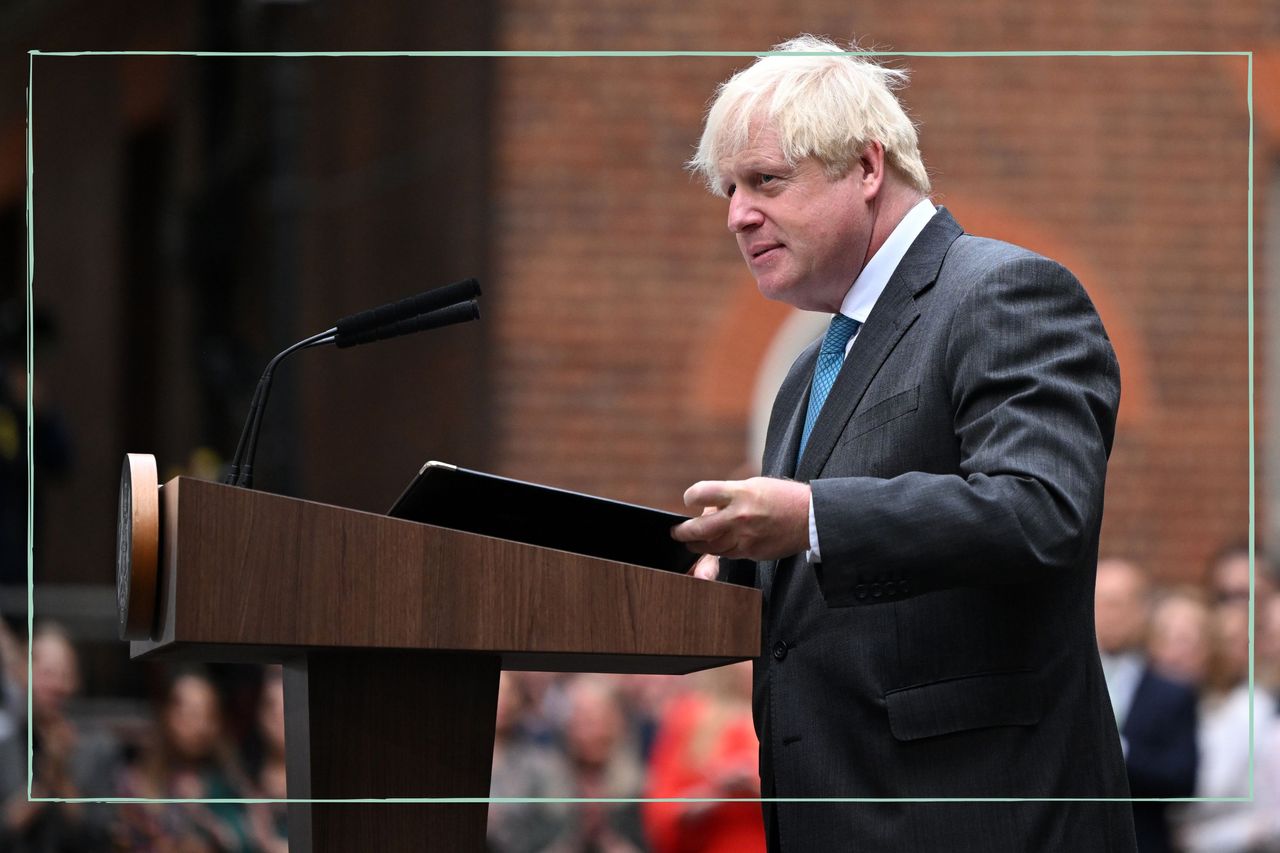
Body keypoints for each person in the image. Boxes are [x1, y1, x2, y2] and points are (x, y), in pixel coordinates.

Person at [671, 35, 1135, 850]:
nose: (737, 213)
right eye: (730, 188)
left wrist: (812, 518)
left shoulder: (1004, 293)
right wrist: (731, 560)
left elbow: (1039, 510)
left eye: (766, 181)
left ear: (866, 168)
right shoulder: (807, 374)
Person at [1094, 559, 1198, 853]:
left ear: (1142, 611)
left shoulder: (1171, 692)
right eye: (1100, 602)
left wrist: (1119, 752)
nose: (1108, 615)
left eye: (1118, 604)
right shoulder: (1062, 686)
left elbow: (1181, 780)